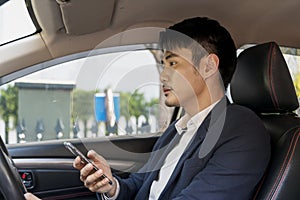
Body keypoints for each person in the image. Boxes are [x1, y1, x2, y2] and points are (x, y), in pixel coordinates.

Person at [25, 17, 270, 200]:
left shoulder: (242, 130)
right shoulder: (177, 130)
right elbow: (141, 186)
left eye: (172, 63)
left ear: (208, 66)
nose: (163, 76)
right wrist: (111, 186)